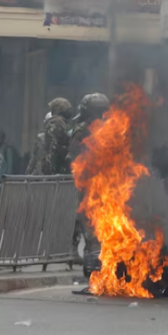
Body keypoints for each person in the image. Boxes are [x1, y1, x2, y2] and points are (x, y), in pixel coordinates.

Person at [67, 93, 109, 276]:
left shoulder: (84, 129)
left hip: (99, 185)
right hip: (96, 184)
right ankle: (90, 261)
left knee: (93, 222)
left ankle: (93, 261)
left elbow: (71, 156)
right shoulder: (110, 129)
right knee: (89, 222)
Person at [36, 98, 73, 175]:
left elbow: (51, 148)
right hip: (59, 170)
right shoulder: (61, 124)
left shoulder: (57, 123)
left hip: (55, 171)